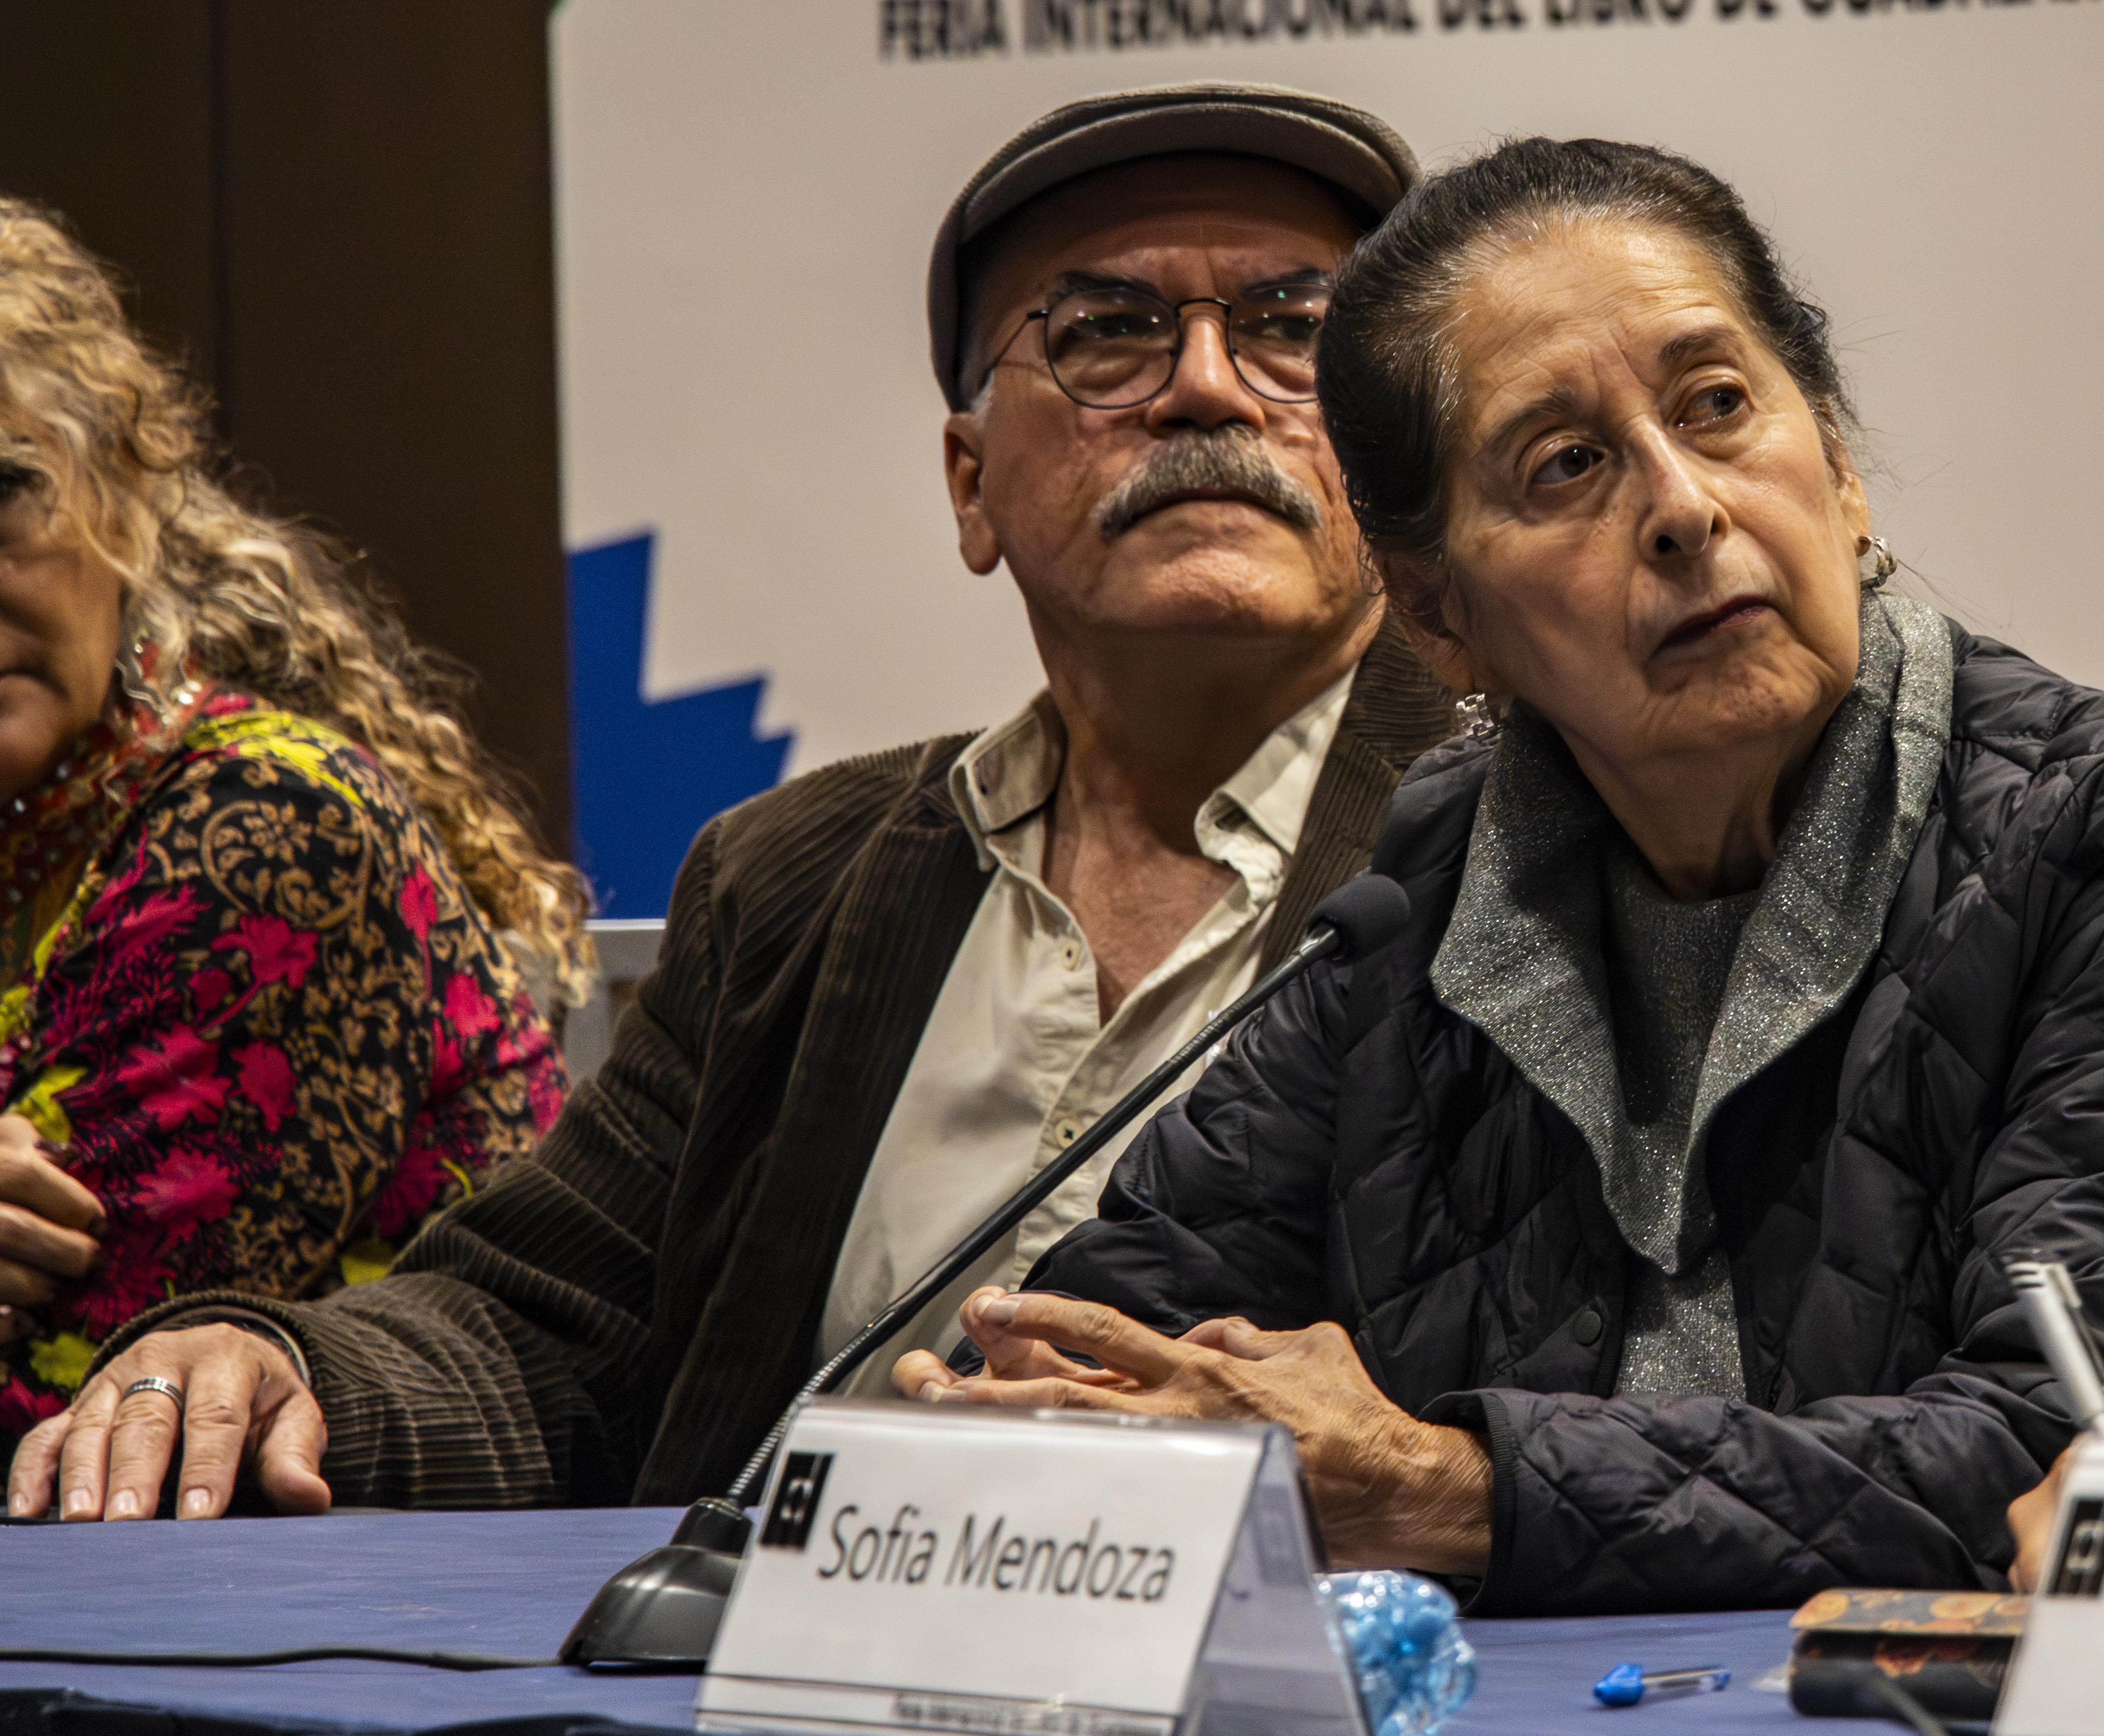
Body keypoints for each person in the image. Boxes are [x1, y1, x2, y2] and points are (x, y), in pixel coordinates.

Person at [893, 136, 2104, 1612]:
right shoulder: (1424, 891)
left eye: (1717, 405)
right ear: (1440, 618)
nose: (1682, 506)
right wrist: (1009, 1429)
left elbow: (2075, 1460)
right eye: (1567, 465)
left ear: (1841, 468)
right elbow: (1099, 1348)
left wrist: (1450, 1489)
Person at [10, 81, 1457, 1522]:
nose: (1205, 386)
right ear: (970, 487)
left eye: (1292, 331)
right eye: (1105, 333)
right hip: (794, 1650)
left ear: (1394, 474)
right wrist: (273, 1360)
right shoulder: (792, 881)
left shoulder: (1524, 847)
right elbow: (534, 1330)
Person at [0, 207, 573, 1467]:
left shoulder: (269, 826)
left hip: (369, 1577)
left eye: (2, 495)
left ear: (125, 498)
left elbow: (57, 1404)